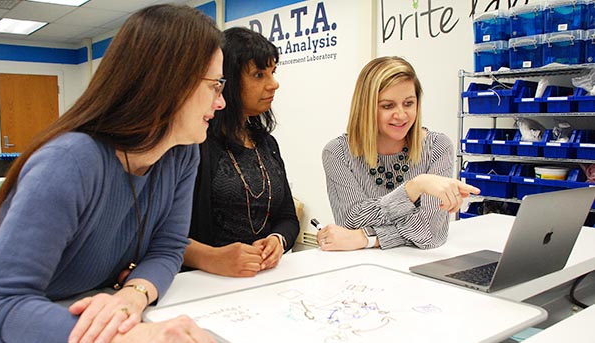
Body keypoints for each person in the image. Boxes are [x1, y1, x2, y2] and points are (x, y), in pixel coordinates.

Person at [0, 5, 224, 343]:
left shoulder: (183, 153)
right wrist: (132, 337)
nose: (221, 102)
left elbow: (168, 247)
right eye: (215, 85)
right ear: (169, 83)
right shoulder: (69, 161)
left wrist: (133, 294)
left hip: (83, 311)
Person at [319, 56, 480, 251]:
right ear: (366, 107)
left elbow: (431, 233)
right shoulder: (337, 153)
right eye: (388, 106)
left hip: (417, 264)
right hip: (362, 268)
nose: (401, 115)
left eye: (409, 103)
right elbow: (353, 220)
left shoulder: (438, 146)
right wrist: (415, 187)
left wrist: (368, 239)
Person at [183, 27, 299, 277]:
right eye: (259, 75)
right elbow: (165, 236)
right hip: (204, 282)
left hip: (261, 280)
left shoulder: (267, 144)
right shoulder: (195, 144)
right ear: (227, 82)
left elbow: (288, 217)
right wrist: (213, 258)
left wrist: (278, 240)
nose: (274, 84)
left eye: (273, 72)